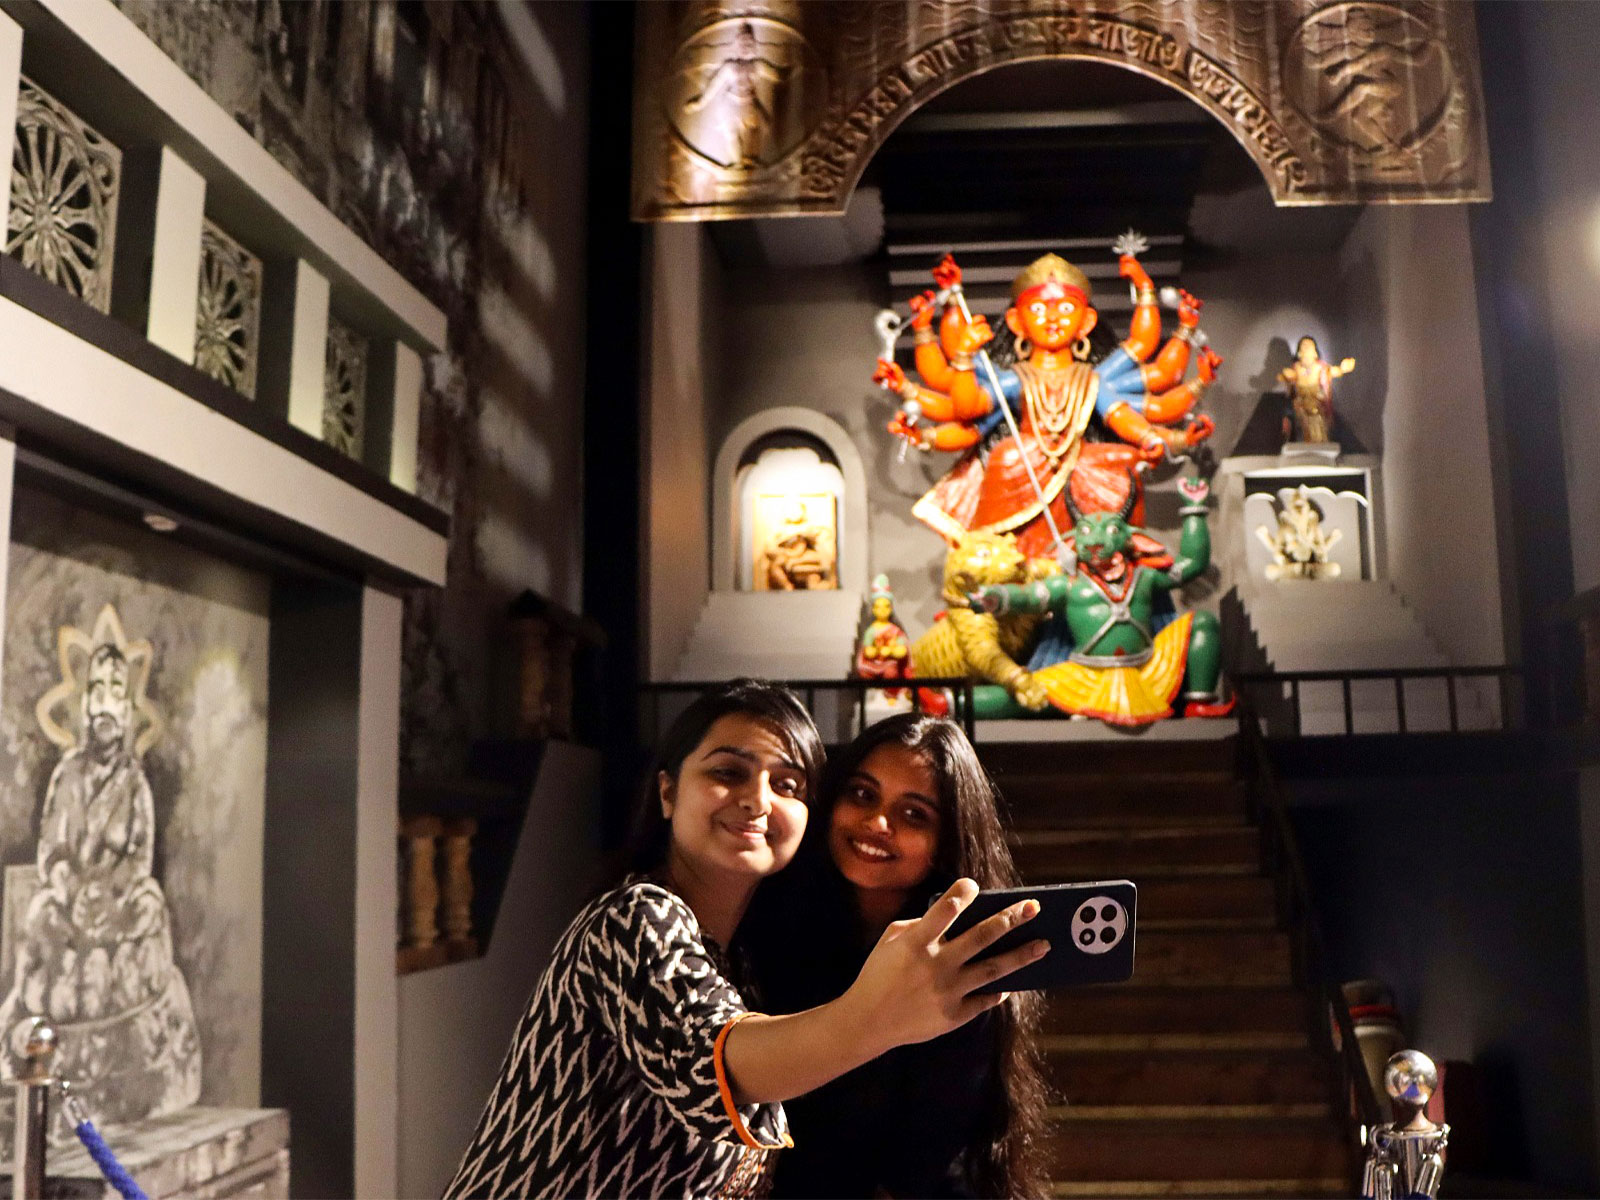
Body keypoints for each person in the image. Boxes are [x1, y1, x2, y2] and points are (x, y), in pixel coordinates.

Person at [443, 680, 1047, 1200]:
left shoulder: (749, 963)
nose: (758, 799)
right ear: (668, 791)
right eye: (728, 772)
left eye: (787, 784)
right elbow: (715, 1071)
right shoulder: (633, 919)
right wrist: (879, 1016)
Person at [746, 713, 1051, 1199]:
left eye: (914, 815)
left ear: (947, 840)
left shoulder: (964, 962)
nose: (876, 824)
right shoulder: (771, 920)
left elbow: (924, 1160)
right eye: (862, 794)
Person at [873, 246, 1220, 557]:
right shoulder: (1013, 379)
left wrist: (1158, 440)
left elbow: (1125, 415)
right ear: (1016, 322)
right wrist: (961, 355)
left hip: (1082, 459)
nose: (1052, 318)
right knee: (1005, 455)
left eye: (1066, 308)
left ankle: (1115, 559)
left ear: (1086, 322)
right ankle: (1003, 566)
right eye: (1037, 308)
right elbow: (967, 411)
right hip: (1021, 463)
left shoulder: (1092, 379)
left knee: (1125, 460)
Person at [1279, 334, 1355, 444]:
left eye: (1309, 346)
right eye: (1304, 346)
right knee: (1301, 433)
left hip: (1318, 409)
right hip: (1301, 409)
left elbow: (1333, 371)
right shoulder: (1296, 369)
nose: (1306, 348)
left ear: (1315, 352)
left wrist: (1342, 369)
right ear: (1299, 352)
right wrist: (1285, 377)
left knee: (1319, 435)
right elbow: (1287, 383)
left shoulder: (1321, 368)